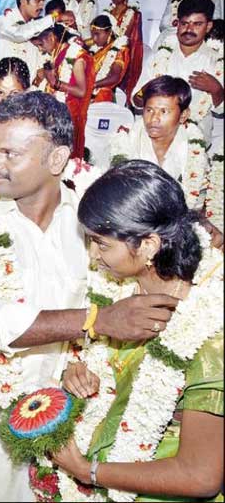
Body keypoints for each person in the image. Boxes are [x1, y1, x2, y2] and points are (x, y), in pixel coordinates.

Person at [0, 90, 183, 501]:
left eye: (11, 154)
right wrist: (97, 320)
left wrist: (79, 360)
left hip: (69, 413)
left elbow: (129, 268)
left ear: (57, 160)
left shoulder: (90, 217)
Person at [52, 159, 223, 501]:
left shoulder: (210, 332)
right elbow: (102, 365)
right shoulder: (122, 289)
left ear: (148, 245)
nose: (94, 256)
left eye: (102, 243)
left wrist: (88, 472)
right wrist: (77, 373)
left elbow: (200, 475)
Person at [134, 0, 223, 146]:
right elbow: (136, 101)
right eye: (184, 23)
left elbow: (220, 110)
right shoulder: (160, 56)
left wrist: (216, 89)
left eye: (197, 24)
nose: (189, 29)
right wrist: (149, 89)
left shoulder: (216, 61)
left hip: (193, 141)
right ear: (178, 24)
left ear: (208, 26)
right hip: (153, 138)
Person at [110, 75, 211, 211]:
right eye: (149, 110)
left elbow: (197, 204)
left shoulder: (194, 149)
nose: (154, 119)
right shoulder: (125, 140)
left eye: (164, 111)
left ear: (183, 115)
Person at [32, 23, 95, 159]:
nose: (40, 49)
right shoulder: (57, 54)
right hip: (54, 114)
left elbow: (81, 91)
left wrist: (56, 84)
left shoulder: (76, 56)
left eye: (41, 44)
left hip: (69, 117)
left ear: (51, 37)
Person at [0, 0, 56, 81]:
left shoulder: (35, 27)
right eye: (38, 0)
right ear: (23, 0)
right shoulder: (4, 20)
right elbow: (19, 34)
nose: (41, 6)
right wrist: (54, 17)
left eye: (43, 1)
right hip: (5, 88)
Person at [105, 0, 143, 107]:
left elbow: (125, 35)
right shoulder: (109, 11)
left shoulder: (131, 13)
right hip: (106, 48)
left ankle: (117, 106)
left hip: (121, 50)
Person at [88, 14, 129, 103]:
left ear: (109, 32)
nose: (94, 39)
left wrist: (92, 85)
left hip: (104, 96)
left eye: (97, 34)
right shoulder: (99, 48)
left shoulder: (118, 50)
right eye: (92, 35)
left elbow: (114, 77)